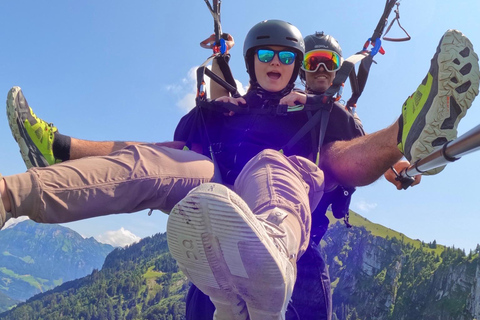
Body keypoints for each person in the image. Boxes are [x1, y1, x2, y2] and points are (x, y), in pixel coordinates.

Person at [0, 19, 478, 319]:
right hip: (216, 234)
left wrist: (398, 157)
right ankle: (12, 192)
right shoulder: (222, 111)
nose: (276, 62)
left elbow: (353, 158)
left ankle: (408, 127)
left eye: (286, 57)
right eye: (265, 54)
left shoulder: (325, 116)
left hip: (295, 254)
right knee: (168, 160)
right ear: (251, 62)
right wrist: (68, 149)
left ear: (296, 66)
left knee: (275, 166)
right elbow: (147, 155)